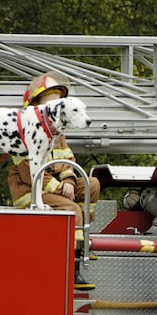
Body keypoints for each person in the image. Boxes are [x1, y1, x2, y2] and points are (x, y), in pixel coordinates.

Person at [7, 71, 101, 290]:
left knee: (92, 184)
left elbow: (67, 160)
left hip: (56, 188)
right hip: (31, 192)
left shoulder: (58, 133)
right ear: (36, 105)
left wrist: (68, 180)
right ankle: (74, 268)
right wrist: (59, 187)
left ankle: (83, 239)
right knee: (72, 210)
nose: (57, 108)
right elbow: (31, 171)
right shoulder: (24, 131)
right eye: (52, 102)